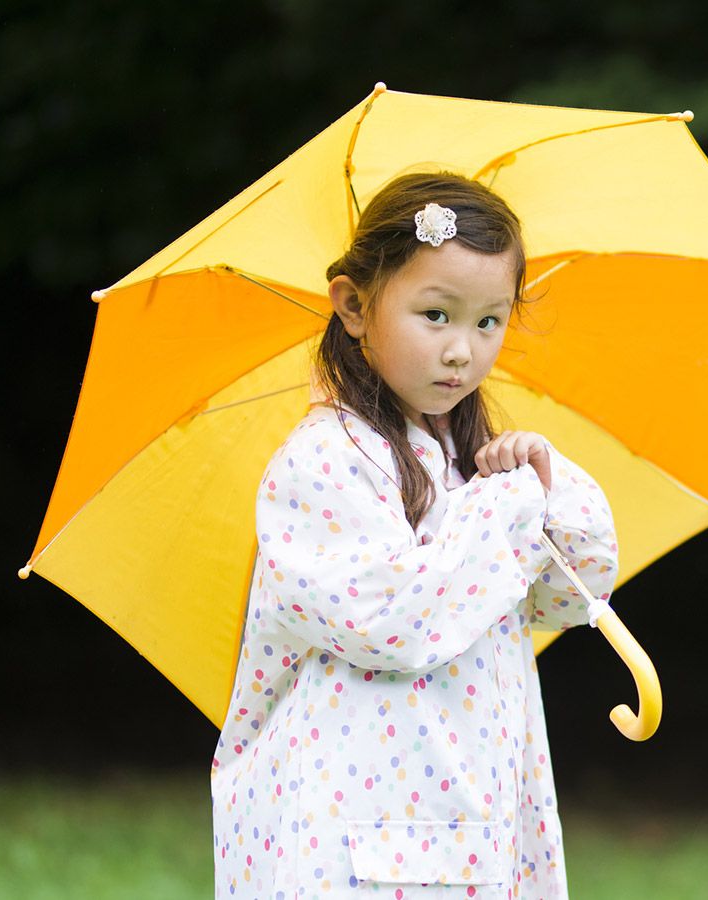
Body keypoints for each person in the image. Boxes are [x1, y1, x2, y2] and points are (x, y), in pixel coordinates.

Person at [211, 172, 619, 899]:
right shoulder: (323, 463)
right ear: (355, 306)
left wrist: (542, 490)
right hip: (357, 824)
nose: (464, 350)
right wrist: (499, 513)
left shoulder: (474, 464)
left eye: (489, 321)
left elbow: (568, 595)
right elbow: (389, 620)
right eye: (437, 314)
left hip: (478, 800)